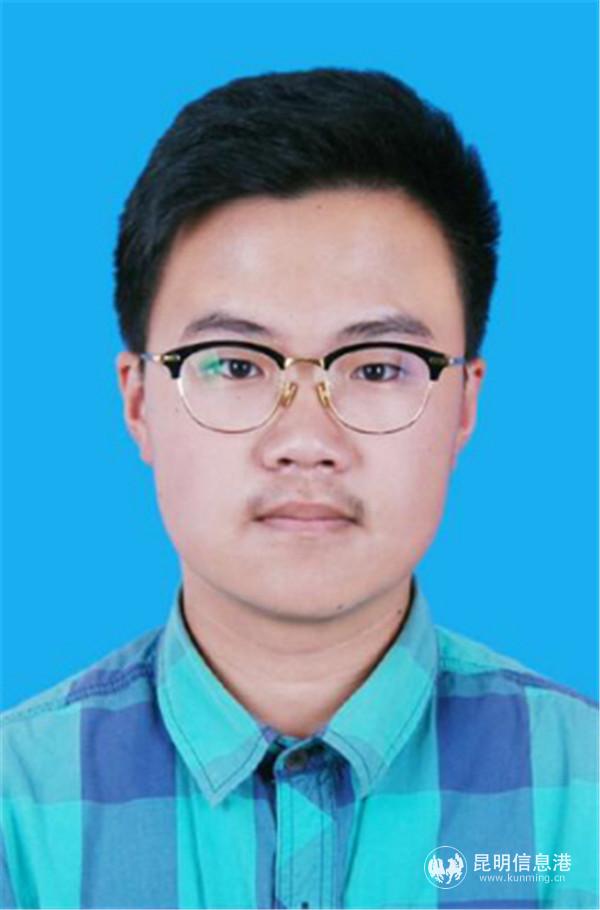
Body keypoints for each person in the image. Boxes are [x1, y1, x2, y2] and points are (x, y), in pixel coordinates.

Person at [1, 67, 597, 910]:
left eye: (378, 367)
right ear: (137, 401)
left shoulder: (584, 796)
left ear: (465, 403)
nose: (307, 442)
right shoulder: (16, 810)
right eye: (236, 364)